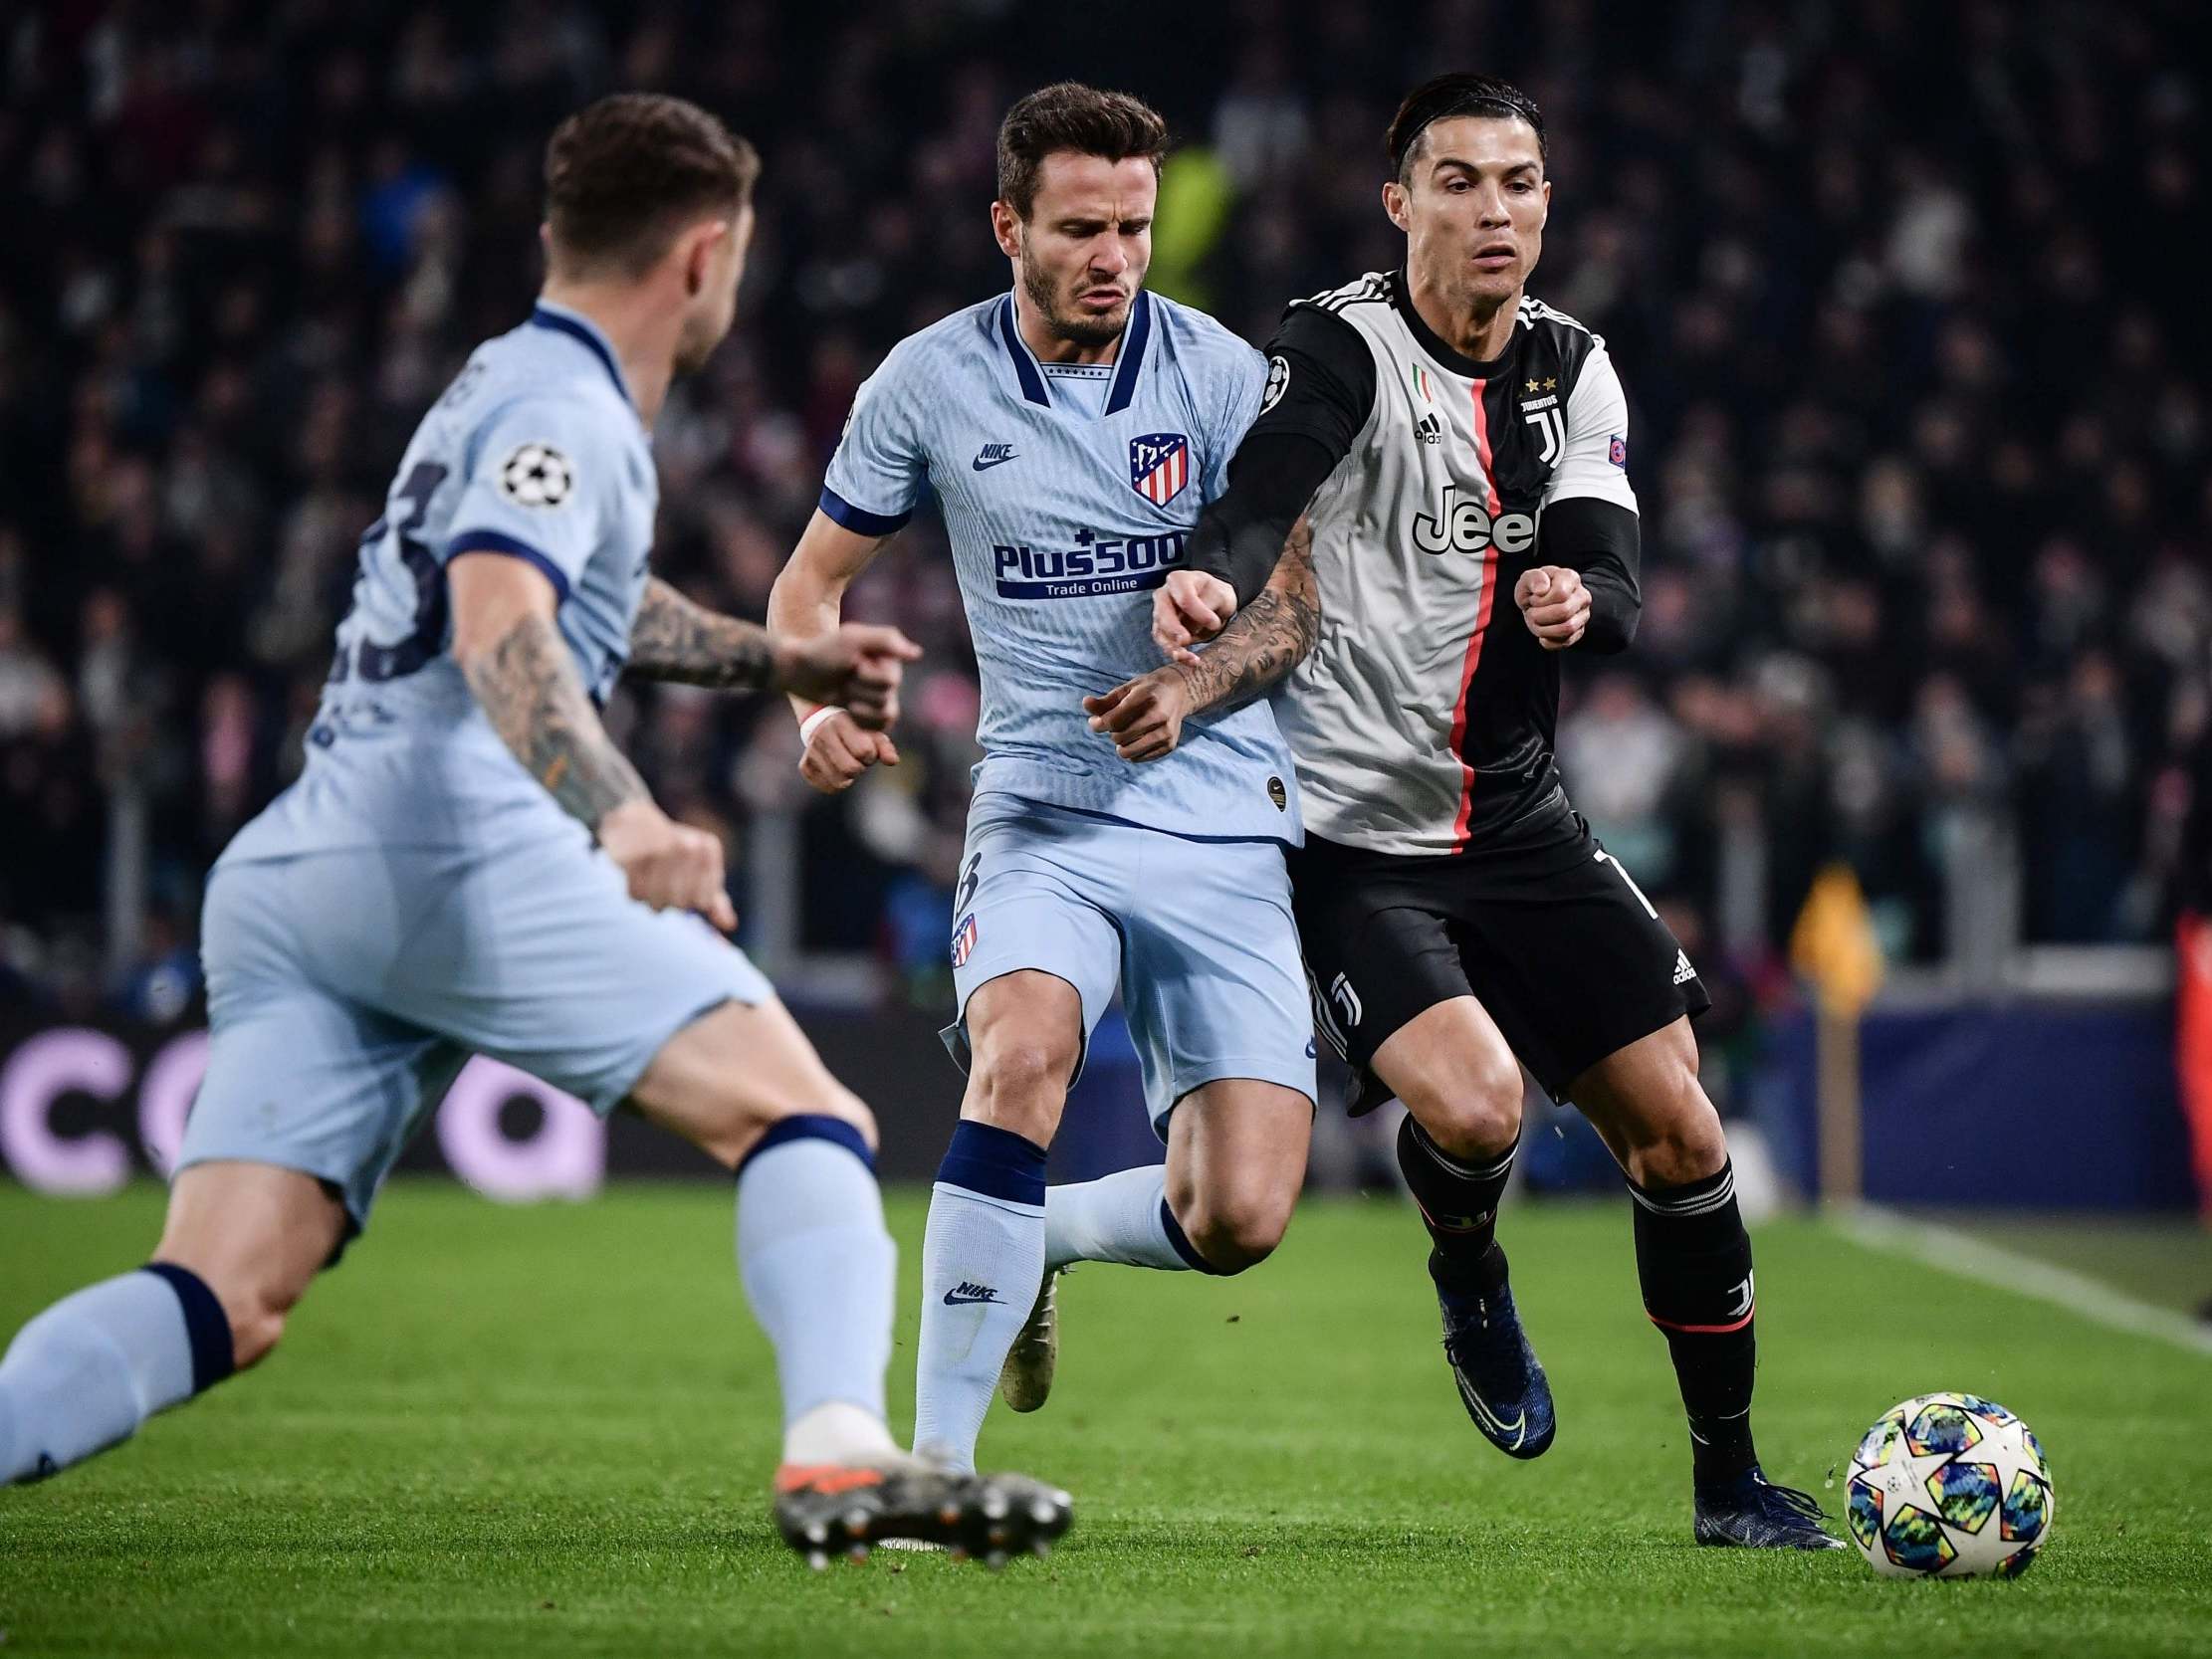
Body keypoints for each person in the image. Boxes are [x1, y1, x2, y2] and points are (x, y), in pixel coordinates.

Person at [0, 93, 1069, 1567]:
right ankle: (839, 1455)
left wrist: (780, 660)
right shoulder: (567, 411)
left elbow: (593, 603)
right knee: (803, 1115)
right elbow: (500, 613)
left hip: (304, 863)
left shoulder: (503, 383)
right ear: (703, 256)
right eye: (739, 259)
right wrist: (623, 816)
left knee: (227, 1293)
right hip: (449, 840)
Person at [1131, 73, 1839, 1550]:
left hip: (1516, 824)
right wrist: (1212, 565)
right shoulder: (1337, 342)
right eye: (1457, 181)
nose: (1493, 211)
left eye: (1517, 182)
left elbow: (1610, 557)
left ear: (1544, 203)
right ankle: (1467, 1274)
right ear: (1400, 205)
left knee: (1682, 1142)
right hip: (1348, 842)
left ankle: (1728, 1486)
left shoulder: (1575, 368)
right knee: (1476, 1104)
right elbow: (1273, 476)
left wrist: (1589, 597)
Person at [769, 83, 1316, 1476]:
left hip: (1221, 817)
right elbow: (808, 587)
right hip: (1043, 811)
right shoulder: (926, 383)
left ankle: (1052, 1233)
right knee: (1021, 1060)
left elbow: (1300, 604)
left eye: (1131, 226)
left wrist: (1202, 661)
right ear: (1006, 224)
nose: (1113, 256)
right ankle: (935, 1468)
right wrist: (807, 699)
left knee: (1242, 1218)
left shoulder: (1216, 374)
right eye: (1080, 228)